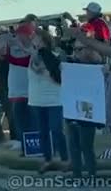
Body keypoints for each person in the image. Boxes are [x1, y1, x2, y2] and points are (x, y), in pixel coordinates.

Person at [28, 29, 69, 173]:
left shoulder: (57, 54)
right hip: (36, 98)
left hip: (54, 99)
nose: (33, 40)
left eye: (36, 38)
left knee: (56, 129)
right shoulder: (32, 56)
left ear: (43, 39)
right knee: (42, 132)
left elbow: (61, 77)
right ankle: (47, 160)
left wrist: (47, 70)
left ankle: (65, 159)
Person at [65, 33, 104, 177]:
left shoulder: (97, 66)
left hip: (88, 112)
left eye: (79, 49)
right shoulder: (70, 65)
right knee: (73, 146)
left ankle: (92, 176)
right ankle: (77, 176)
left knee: (86, 146)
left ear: (89, 50)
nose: (76, 53)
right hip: (72, 110)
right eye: (75, 49)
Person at [7, 21, 36, 153]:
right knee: (19, 120)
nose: (18, 37)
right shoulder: (12, 49)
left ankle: (34, 147)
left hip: (32, 92)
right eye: (17, 34)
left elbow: (25, 61)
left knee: (31, 121)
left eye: (22, 34)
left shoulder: (35, 49)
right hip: (16, 91)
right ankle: (22, 144)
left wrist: (21, 46)